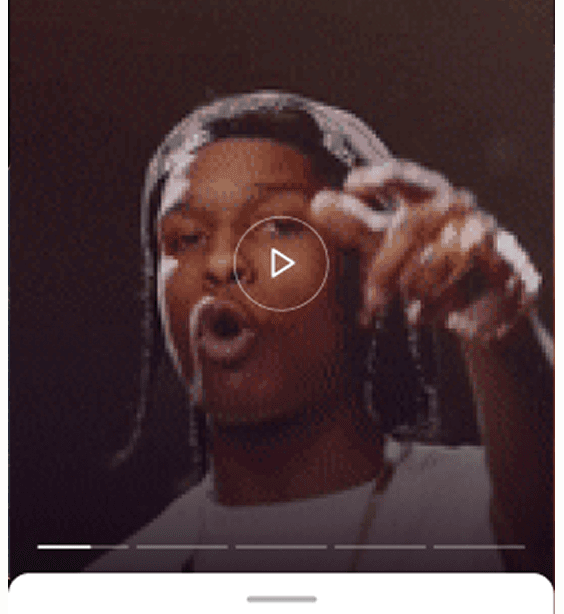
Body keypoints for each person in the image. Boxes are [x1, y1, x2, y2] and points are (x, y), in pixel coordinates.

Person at [92, 91, 553, 574]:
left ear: (363, 266)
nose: (223, 263)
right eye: (186, 239)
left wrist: (498, 321)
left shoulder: (477, 512)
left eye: (278, 227)